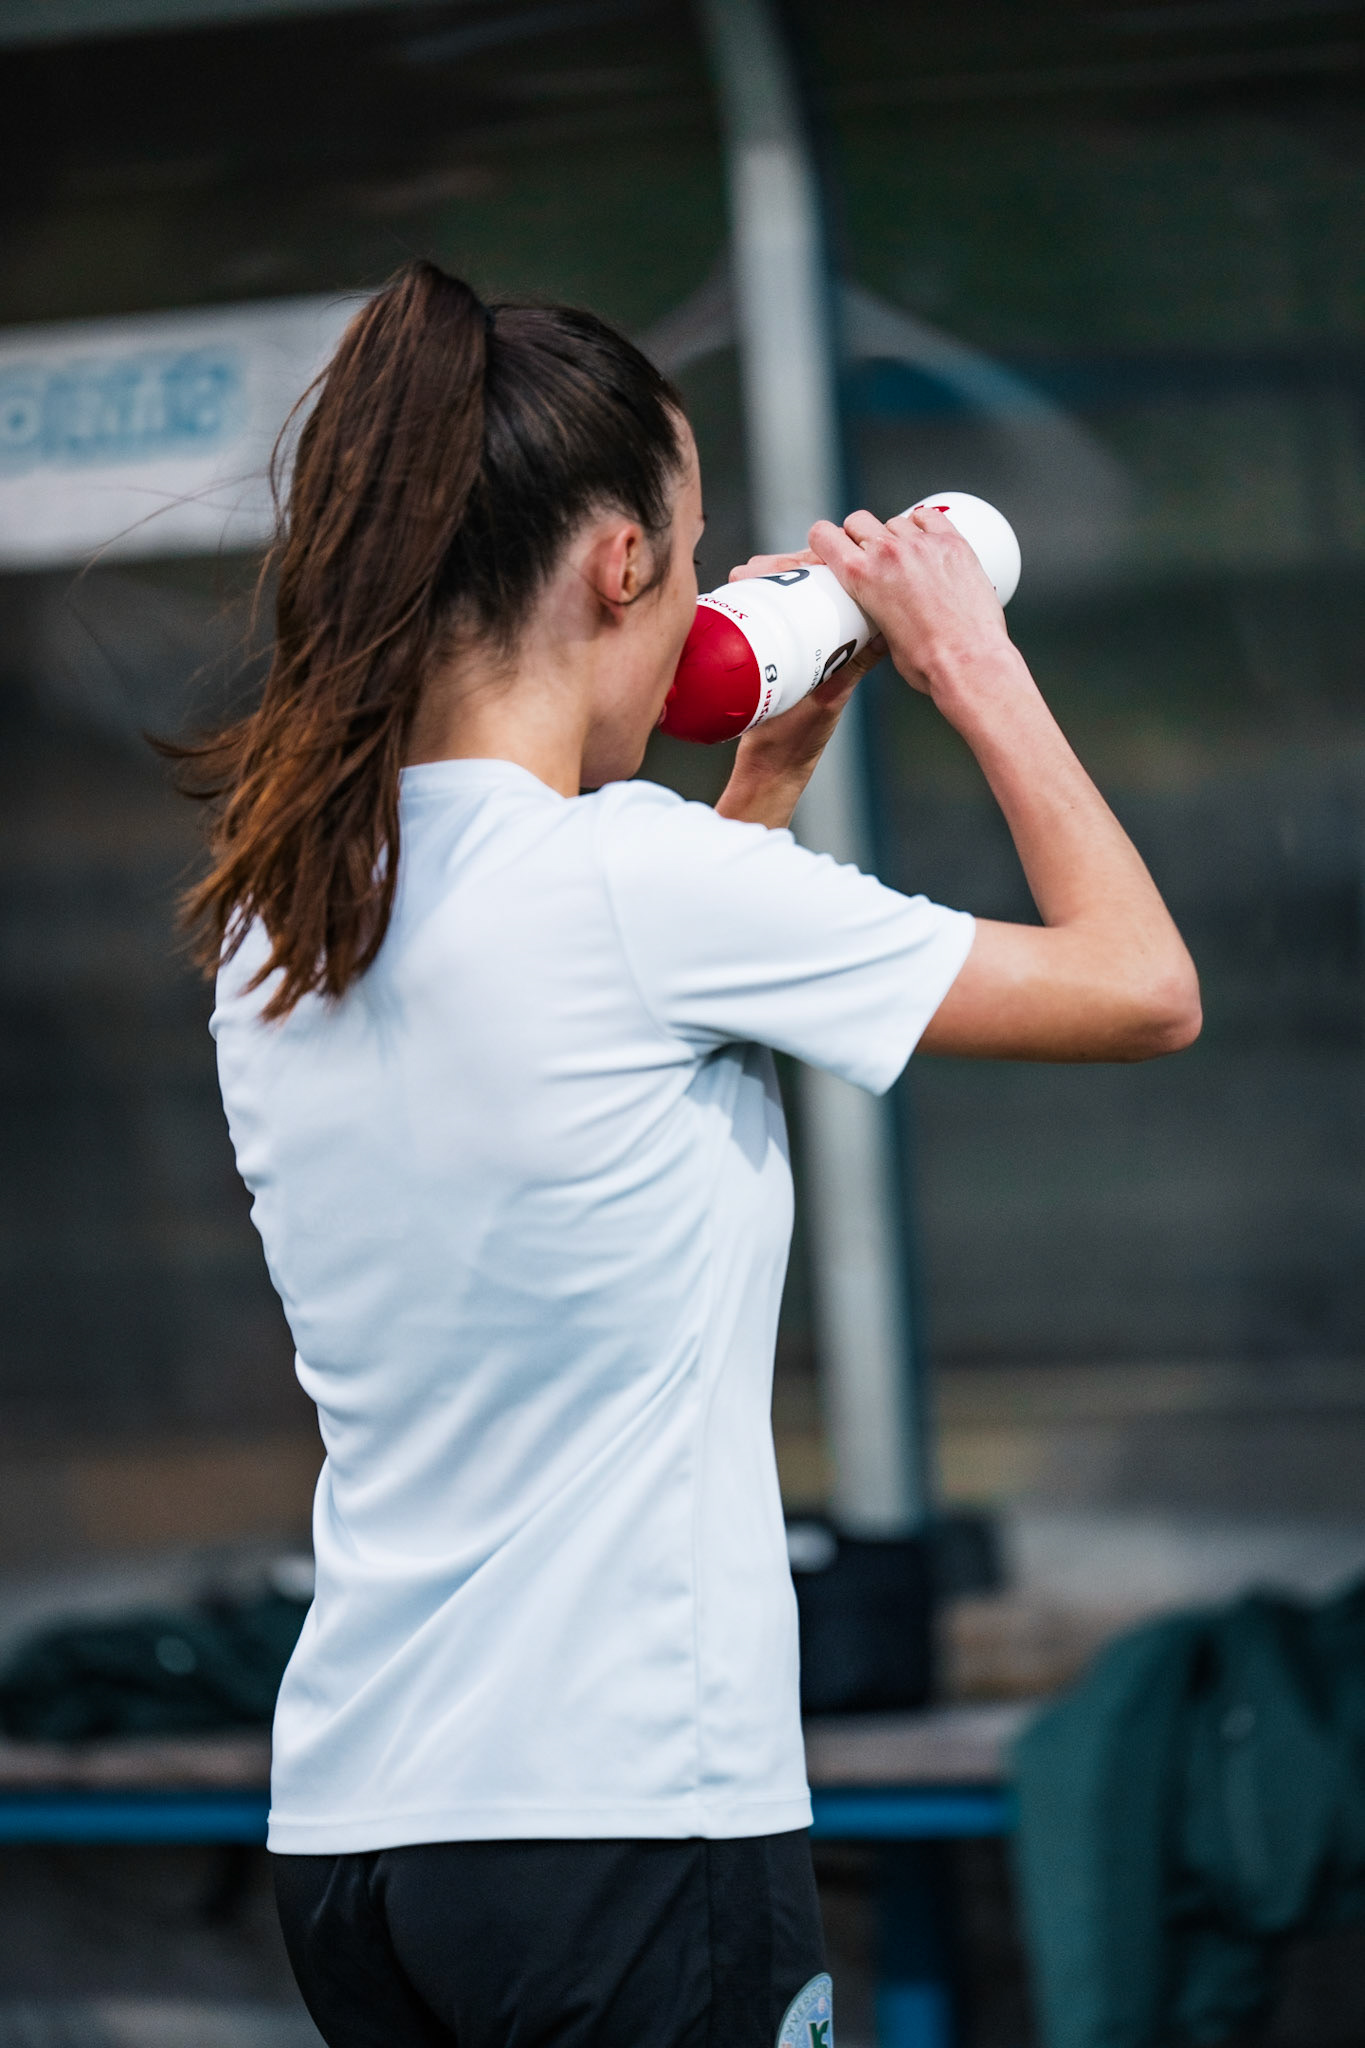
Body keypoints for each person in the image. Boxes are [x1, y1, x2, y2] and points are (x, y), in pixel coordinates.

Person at [183, 260, 1199, 2048]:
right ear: (622, 568)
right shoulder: (630, 882)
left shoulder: (289, 918)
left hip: (365, 1834)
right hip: (621, 1811)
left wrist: (760, 804)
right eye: (699, 542)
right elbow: (1140, 988)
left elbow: (600, 1052)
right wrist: (970, 661)